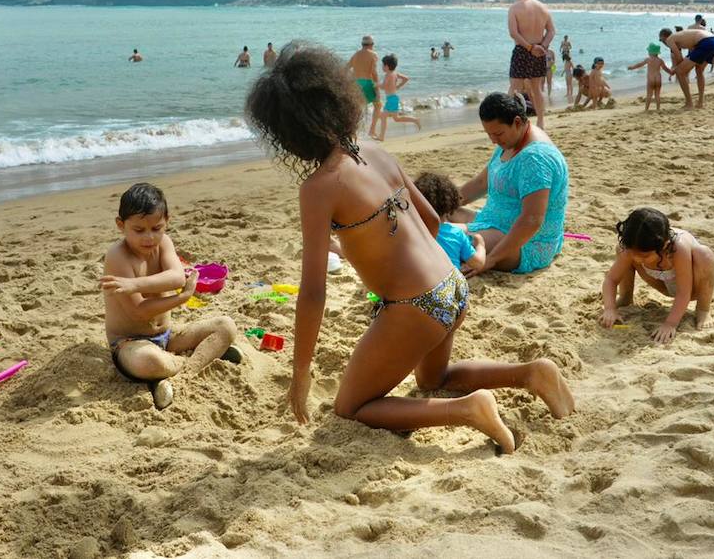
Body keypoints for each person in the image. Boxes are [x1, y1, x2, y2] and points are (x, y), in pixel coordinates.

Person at [244, 45, 574, 452]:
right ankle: (531, 373)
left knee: (352, 406)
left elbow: (313, 292)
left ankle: (470, 409)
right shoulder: (374, 150)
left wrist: (301, 372)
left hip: (416, 305)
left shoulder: (318, 188)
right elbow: (434, 221)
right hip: (452, 284)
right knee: (432, 380)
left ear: (288, 132)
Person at [99, 183, 239, 410]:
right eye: (139, 230)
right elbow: (139, 311)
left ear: (167, 222)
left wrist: (135, 284)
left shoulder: (164, 243)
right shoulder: (117, 257)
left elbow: (176, 278)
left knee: (226, 326)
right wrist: (181, 298)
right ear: (121, 225)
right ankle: (197, 360)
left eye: (157, 228)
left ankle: (181, 376)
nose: (149, 237)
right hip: (131, 343)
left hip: (168, 335)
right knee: (149, 361)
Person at [458, 92, 569, 275]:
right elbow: (481, 183)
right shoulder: (511, 141)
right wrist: (438, 205)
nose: (493, 140)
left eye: (498, 133)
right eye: (489, 134)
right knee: (438, 212)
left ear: (517, 122)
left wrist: (490, 261)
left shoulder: (535, 158)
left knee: (447, 238)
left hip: (525, 241)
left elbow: (532, 220)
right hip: (493, 220)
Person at [599, 207, 714, 343]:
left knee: (705, 255)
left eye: (645, 256)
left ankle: (703, 310)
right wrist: (609, 309)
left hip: (692, 287)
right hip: (660, 282)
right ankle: (625, 297)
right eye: (635, 254)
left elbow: (684, 292)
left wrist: (670, 324)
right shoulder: (631, 249)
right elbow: (611, 280)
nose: (637, 259)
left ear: (664, 245)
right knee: (622, 251)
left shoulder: (678, 248)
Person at [414, 172, 487, 277]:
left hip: (419, 285)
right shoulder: (456, 233)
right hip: (447, 288)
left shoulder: (412, 232)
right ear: (452, 205)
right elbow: (477, 263)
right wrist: (481, 245)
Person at [507, 0, 555, 129]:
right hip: (539, 50)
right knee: (537, 89)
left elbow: (514, 33)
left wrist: (529, 47)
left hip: (523, 50)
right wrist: (543, 46)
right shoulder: (543, 7)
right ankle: (540, 122)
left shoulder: (515, 8)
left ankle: (508, 121)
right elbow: (552, 31)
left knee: (514, 88)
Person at [665, 25, 714, 109]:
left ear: (663, 37)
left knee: (680, 72)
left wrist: (677, 69)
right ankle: (700, 103)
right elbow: (693, 51)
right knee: (699, 70)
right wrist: (684, 66)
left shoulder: (669, 39)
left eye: (660, 40)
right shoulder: (682, 36)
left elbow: (679, 57)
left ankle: (689, 103)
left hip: (705, 42)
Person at [377, 53, 421, 140]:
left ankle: (381, 136)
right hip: (393, 98)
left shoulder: (388, 75)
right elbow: (406, 78)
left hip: (391, 99)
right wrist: (399, 86)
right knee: (396, 119)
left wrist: (376, 85)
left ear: (387, 66)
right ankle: (415, 120)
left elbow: (384, 86)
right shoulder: (395, 73)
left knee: (383, 117)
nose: (382, 67)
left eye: (382, 65)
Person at [347, 35, 384, 140]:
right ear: (372, 45)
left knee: (357, 108)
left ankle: (352, 132)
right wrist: (377, 85)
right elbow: (373, 72)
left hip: (356, 83)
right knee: (378, 105)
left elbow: (346, 68)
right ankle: (372, 130)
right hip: (368, 82)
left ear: (362, 44)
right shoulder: (373, 54)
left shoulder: (355, 54)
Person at [627, 43, 672, 111]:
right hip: (658, 79)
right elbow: (665, 69)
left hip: (650, 79)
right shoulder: (660, 60)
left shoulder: (648, 59)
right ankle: (658, 108)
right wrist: (671, 72)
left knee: (649, 95)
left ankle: (646, 109)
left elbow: (640, 65)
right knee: (657, 95)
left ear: (650, 52)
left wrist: (632, 67)